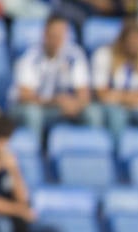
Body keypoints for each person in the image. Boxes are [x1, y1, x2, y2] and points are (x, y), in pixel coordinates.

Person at [11, 14, 103, 142]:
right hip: (39, 107)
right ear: (45, 34)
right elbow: (25, 96)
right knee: (32, 114)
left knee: (93, 113)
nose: (57, 39)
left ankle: (92, 152)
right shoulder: (30, 57)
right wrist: (55, 101)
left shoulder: (74, 55)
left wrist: (75, 104)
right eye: (53, 35)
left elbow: (84, 93)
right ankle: (35, 153)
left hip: (65, 107)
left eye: (60, 35)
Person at [92, 18, 138, 140]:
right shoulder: (104, 55)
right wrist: (131, 97)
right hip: (113, 108)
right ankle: (117, 155)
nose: (134, 45)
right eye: (130, 41)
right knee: (116, 117)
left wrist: (119, 96)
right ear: (122, 41)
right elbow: (102, 94)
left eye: (137, 41)